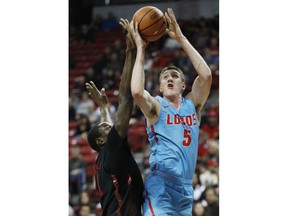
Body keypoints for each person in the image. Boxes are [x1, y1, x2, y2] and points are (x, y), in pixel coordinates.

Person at [129, 8, 212, 215]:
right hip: (161, 187)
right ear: (160, 87)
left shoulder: (193, 105)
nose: (169, 79)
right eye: (165, 77)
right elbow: (137, 92)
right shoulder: (156, 106)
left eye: (175, 76)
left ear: (184, 85)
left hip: (185, 191)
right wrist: (141, 49)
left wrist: (181, 38)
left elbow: (206, 75)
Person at [85, 18, 144, 215]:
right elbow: (126, 98)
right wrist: (129, 52)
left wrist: (103, 107)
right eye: (104, 127)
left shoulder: (103, 158)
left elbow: (109, 126)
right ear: (102, 140)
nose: (107, 125)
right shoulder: (111, 149)